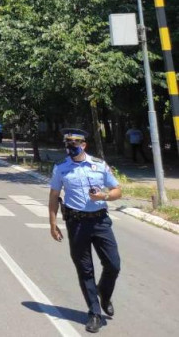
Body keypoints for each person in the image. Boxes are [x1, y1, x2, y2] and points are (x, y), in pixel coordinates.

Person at [48, 129, 122, 334]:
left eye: (75, 143)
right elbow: (54, 195)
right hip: (77, 223)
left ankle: (104, 294)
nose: (71, 146)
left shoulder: (99, 165)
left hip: (100, 221)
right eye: (68, 143)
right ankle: (94, 313)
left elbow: (117, 190)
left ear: (84, 145)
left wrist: (104, 197)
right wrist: (53, 223)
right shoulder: (61, 168)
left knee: (113, 264)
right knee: (85, 269)